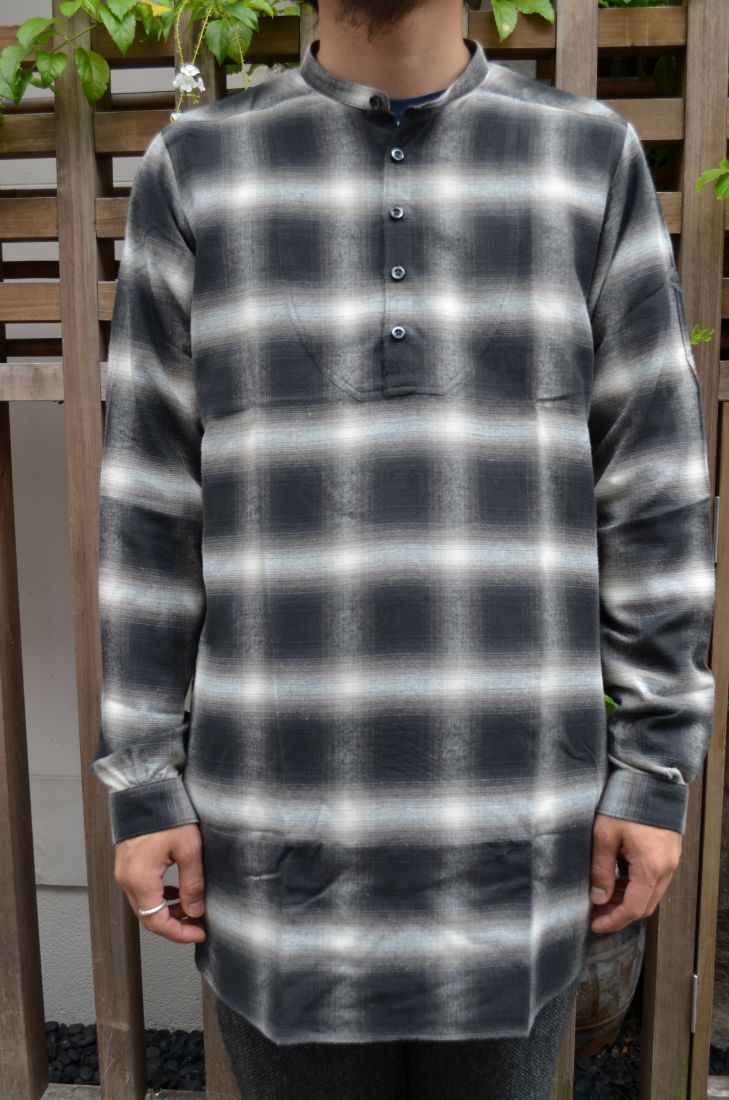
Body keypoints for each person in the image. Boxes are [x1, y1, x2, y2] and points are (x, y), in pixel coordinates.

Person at [90, 0, 717, 1095]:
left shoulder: (587, 159)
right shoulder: (196, 171)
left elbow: (652, 486)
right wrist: (144, 779)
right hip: (275, 851)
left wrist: (654, 765)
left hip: (517, 848)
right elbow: (150, 510)